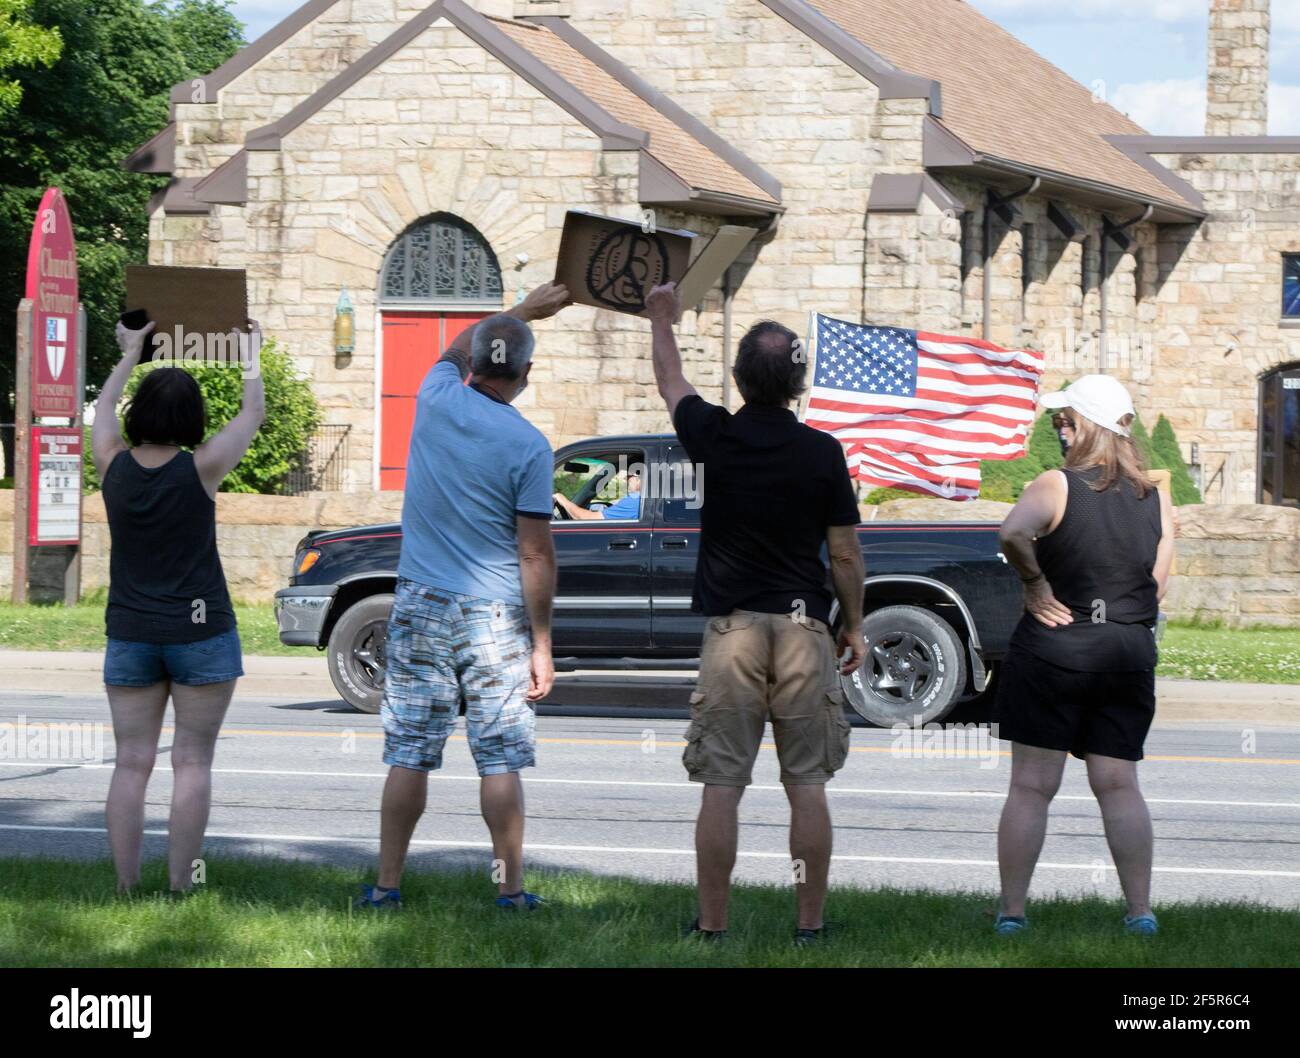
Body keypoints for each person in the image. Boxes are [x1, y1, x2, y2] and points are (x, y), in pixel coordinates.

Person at [644, 282, 866, 945]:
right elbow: (846, 554)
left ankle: (712, 927)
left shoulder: (715, 434)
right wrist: (852, 623)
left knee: (721, 783)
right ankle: (809, 926)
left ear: (739, 379)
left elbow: (670, 379)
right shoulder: (823, 452)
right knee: (807, 785)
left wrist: (661, 317)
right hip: (803, 631)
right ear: (798, 385)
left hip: (733, 631)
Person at [356, 281, 571, 912]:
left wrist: (522, 310)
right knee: (498, 756)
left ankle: (387, 887)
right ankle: (509, 890)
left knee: (409, 754)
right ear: (526, 374)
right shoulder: (529, 446)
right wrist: (542, 643)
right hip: (495, 614)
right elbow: (535, 552)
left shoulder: (434, 394)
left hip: (421, 601)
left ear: (472, 364)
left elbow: (453, 349)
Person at [992, 374, 1175, 937]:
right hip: (1126, 651)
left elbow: (1011, 533)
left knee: (1030, 786)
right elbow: (1158, 583)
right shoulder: (1155, 494)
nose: (1058, 429)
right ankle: (1139, 912)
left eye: (1065, 420)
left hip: (1055, 652)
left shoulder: (1054, 484)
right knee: (1119, 785)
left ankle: (1013, 914)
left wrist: (1035, 584)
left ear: (1086, 425)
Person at [92, 317, 265, 894]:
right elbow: (251, 416)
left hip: (131, 633)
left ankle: (123, 887)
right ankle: (182, 887)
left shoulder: (111, 464)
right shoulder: (201, 467)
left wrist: (128, 355)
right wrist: (250, 356)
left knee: (130, 763)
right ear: (191, 419)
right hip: (202, 632)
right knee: (191, 763)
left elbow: (102, 409)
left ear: (140, 414)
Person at [553, 466, 642, 520]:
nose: (625, 479)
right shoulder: (643, 501)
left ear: (640, 478)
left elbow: (584, 518)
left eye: (629, 476)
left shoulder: (635, 502)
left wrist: (562, 499)